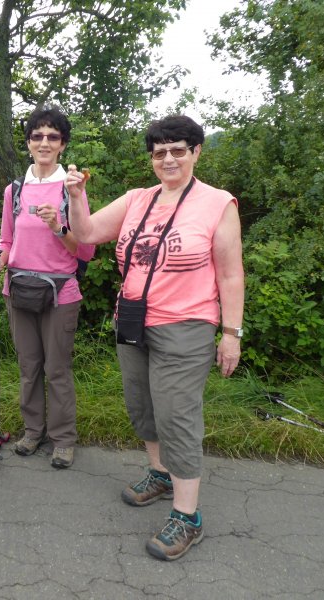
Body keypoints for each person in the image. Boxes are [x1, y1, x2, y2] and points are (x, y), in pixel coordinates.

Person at [67, 114, 244, 561]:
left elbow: (230, 272)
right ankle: (160, 473)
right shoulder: (137, 200)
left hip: (187, 324)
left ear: (196, 152)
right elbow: (85, 233)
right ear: (151, 158)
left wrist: (231, 334)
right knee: (141, 404)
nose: (168, 158)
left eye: (178, 150)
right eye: (159, 152)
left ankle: (188, 517)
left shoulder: (217, 203)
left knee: (176, 415)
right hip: (132, 319)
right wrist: (76, 195)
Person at [0, 106, 95, 469]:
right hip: (18, 288)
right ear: (29, 143)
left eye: (52, 136)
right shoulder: (14, 189)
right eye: (37, 136)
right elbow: (6, 240)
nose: (44, 142)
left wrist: (58, 227)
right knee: (29, 367)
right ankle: (34, 432)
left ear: (62, 144)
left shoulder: (71, 188)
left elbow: (87, 249)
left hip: (60, 292)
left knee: (57, 369)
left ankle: (63, 439)